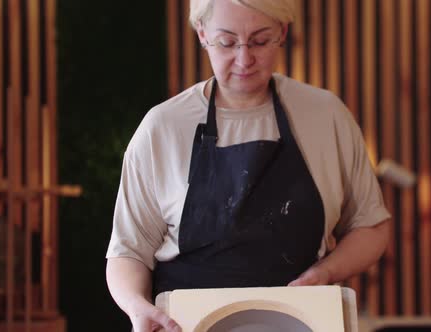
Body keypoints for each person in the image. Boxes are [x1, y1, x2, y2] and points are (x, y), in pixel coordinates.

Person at [106, 0, 391, 331]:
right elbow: (128, 251)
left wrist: (325, 273)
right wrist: (137, 307)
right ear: (202, 34)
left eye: (259, 40)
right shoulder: (163, 127)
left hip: (300, 321)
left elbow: (370, 226)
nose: (244, 59)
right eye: (227, 42)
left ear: (282, 32)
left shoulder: (326, 115)